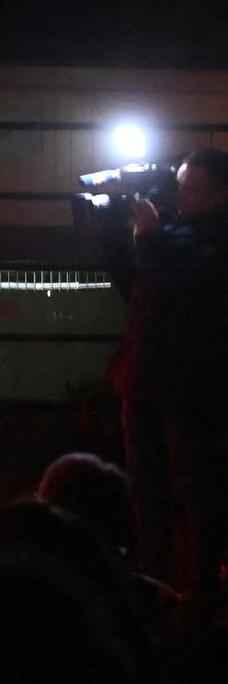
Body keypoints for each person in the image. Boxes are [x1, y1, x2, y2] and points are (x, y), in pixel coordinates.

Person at [117, 146, 228, 595]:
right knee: (146, 486)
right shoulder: (172, 233)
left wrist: (147, 235)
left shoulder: (211, 239)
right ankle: (156, 577)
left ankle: (200, 588)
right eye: (179, 186)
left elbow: (180, 277)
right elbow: (135, 287)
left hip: (190, 383)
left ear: (221, 192)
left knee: (195, 485)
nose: (180, 197)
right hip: (147, 377)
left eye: (192, 188)